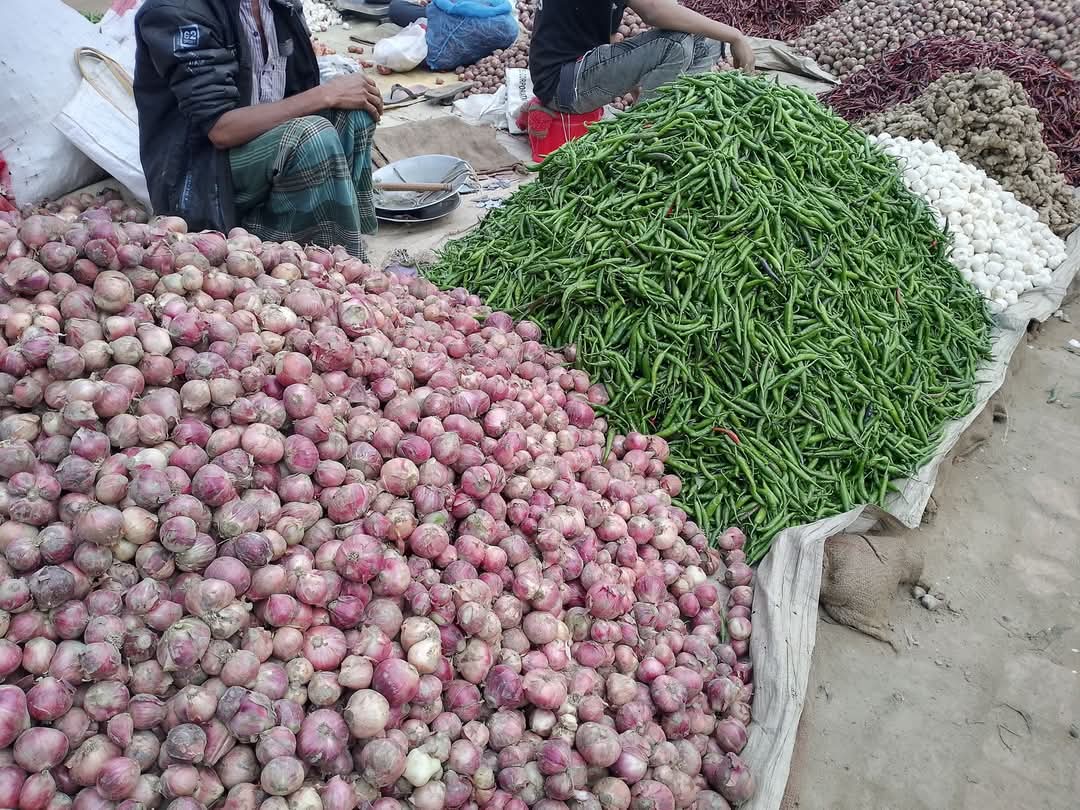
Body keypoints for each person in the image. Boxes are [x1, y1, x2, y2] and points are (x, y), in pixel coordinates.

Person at [133, 0, 385, 260]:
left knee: (354, 111)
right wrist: (325, 94)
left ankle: (343, 244)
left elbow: (296, 90)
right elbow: (221, 129)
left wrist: (333, 95)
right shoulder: (178, 11)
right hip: (201, 178)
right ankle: (331, 268)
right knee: (311, 135)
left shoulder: (277, 5)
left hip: (257, 154)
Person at [529, 0, 755, 114]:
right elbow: (654, 10)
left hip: (577, 74)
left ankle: (679, 115)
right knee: (674, 44)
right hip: (562, 84)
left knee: (706, 38)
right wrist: (736, 36)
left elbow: (607, 37)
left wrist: (634, 84)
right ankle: (648, 133)